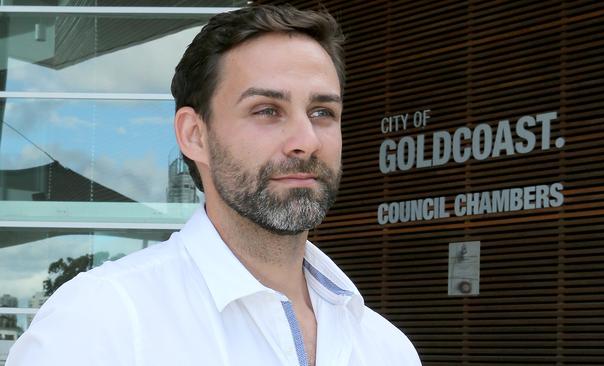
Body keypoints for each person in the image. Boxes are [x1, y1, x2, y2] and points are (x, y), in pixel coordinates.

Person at [7, 5, 421, 366]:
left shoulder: (386, 347)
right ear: (194, 135)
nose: (306, 140)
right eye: (266, 110)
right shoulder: (101, 322)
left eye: (322, 112)